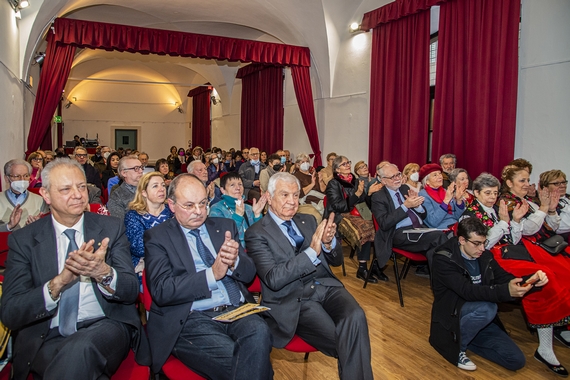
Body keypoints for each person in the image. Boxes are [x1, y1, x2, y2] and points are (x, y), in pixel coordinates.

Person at [1, 158, 150, 380]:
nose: (78, 194)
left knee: (81, 348)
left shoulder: (110, 228)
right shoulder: (24, 240)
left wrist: (103, 273)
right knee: (77, 362)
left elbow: (129, 292)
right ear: (46, 194)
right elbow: (12, 313)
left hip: (105, 325)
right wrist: (57, 284)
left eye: (81, 187)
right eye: (65, 189)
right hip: (46, 333)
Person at [144, 173, 273, 379]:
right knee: (248, 363)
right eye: (189, 205)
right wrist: (211, 274)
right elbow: (162, 290)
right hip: (190, 317)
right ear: (171, 205)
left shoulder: (224, 226)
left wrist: (234, 262)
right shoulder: (158, 237)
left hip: (236, 311)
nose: (198, 211)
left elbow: (249, 275)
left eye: (203, 203)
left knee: (260, 332)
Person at [245, 172, 373, 380]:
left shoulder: (308, 220)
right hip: (294, 298)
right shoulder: (257, 233)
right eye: (284, 195)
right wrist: (312, 252)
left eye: (295, 196)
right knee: (348, 341)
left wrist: (329, 244)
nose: (292, 201)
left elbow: (336, 261)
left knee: (357, 316)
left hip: (326, 286)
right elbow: (273, 278)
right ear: (269, 197)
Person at [430, 217, 544, 372]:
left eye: (484, 242)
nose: (482, 248)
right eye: (477, 243)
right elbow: (467, 291)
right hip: (453, 315)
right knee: (488, 308)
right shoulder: (444, 258)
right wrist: (505, 291)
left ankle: (469, 335)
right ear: (462, 240)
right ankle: (457, 347)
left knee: (515, 361)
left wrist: (530, 281)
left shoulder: (484, 256)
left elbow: (504, 278)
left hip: (478, 316)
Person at [492, 164, 570, 374]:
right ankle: (545, 348)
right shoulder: (507, 202)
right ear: (509, 183)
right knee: (547, 280)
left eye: (528, 180)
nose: (527, 184)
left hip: (538, 246)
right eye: (522, 181)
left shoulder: (528, 202)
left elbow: (551, 227)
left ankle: (563, 326)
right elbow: (525, 231)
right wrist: (544, 209)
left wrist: (550, 209)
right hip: (515, 250)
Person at [370, 163, 448, 280]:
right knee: (439, 238)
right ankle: (446, 284)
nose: (397, 178)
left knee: (436, 250)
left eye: (398, 174)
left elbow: (423, 214)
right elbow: (384, 223)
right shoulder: (378, 197)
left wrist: (417, 206)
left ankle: (441, 285)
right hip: (397, 233)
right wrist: (405, 206)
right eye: (393, 177)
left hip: (418, 228)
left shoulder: (404, 188)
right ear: (383, 180)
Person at [324, 156, 376, 283]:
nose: (348, 165)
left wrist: (369, 193)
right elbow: (338, 206)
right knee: (364, 228)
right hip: (337, 216)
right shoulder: (333, 183)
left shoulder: (356, 181)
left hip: (356, 214)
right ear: (337, 169)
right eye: (344, 164)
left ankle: (373, 266)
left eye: (348, 162)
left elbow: (364, 203)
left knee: (374, 225)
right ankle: (362, 268)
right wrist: (356, 195)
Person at [124, 172, 173, 285]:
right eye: (155, 186)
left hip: (175, 262)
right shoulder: (134, 215)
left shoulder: (172, 211)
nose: (161, 189)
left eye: (163, 185)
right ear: (144, 192)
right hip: (148, 266)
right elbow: (139, 248)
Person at [209, 172, 267, 247]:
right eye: (232, 185)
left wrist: (257, 215)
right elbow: (221, 237)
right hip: (233, 253)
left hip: (253, 251)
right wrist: (238, 216)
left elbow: (260, 234)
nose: (238, 188)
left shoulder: (248, 207)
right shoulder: (216, 209)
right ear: (223, 190)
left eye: (240, 184)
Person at [1, 159, 48, 231]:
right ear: (7, 179)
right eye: (17, 176)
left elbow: (48, 229)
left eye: (26, 176)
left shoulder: (40, 200)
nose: (22, 179)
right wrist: (9, 226)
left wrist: (38, 225)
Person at [419, 163, 466, 229]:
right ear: (427, 181)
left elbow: (457, 216)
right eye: (435, 175)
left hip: (455, 225)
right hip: (441, 230)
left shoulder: (445, 191)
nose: (439, 176)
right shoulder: (423, 195)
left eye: (440, 173)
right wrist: (446, 201)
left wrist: (459, 201)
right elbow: (433, 222)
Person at [107, 155, 144, 221]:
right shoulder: (116, 196)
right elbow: (119, 224)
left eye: (141, 167)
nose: (141, 171)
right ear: (124, 173)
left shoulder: (150, 189)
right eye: (136, 168)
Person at [539, 169, 570, 236]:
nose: (562, 185)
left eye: (564, 182)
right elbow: (554, 228)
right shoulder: (544, 204)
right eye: (556, 183)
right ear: (545, 187)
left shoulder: (567, 197)